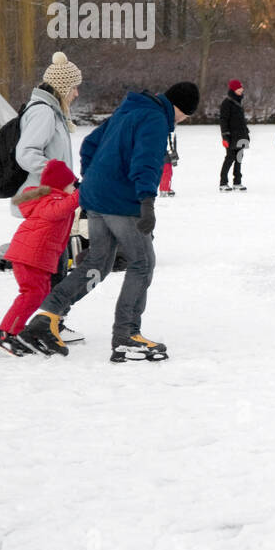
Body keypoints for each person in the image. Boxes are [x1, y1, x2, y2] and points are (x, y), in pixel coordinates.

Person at [18, 82, 200, 363]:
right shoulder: (155, 119)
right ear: (179, 108)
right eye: (185, 116)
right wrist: (147, 201)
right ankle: (127, 336)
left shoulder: (128, 110)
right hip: (121, 202)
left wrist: (94, 179)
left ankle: (46, 318)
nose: (181, 121)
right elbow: (146, 162)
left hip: (95, 198)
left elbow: (90, 144)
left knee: (97, 264)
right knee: (142, 263)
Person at [13, 50, 85, 344]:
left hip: (54, 202)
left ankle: (52, 320)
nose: (78, 93)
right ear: (63, 88)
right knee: (52, 266)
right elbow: (26, 153)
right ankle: (47, 323)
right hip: (45, 203)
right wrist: (58, 174)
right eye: (75, 88)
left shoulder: (53, 110)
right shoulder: (43, 112)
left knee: (58, 263)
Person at [0, 160, 81, 356]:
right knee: (31, 294)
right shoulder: (52, 200)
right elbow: (61, 209)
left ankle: (15, 330)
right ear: (60, 184)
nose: (73, 186)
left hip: (34, 257)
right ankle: (6, 333)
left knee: (39, 293)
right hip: (30, 257)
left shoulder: (52, 197)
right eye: (71, 183)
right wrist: (80, 194)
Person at [219, 78, 249, 191]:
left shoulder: (239, 102)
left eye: (241, 87)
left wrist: (246, 134)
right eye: (239, 88)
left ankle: (237, 182)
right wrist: (225, 136)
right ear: (233, 89)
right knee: (230, 158)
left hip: (241, 136)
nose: (242, 89)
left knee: (239, 158)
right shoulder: (227, 103)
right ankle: (223, 182)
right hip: (231, 136)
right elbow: (223, 120)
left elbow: (241, 121)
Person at [159, 131, 179, 197]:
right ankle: (164, 190)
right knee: (166, 173)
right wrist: (173, 157)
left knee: (168, 173)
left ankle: (166, 188)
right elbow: (169, 145)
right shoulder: (168, 129)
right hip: (165, 155)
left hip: (164, 155)